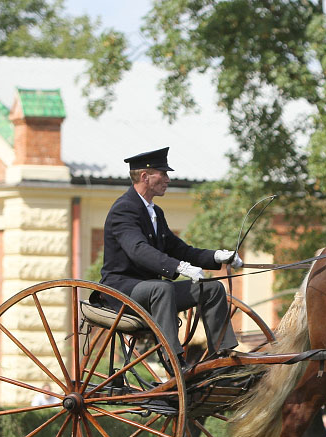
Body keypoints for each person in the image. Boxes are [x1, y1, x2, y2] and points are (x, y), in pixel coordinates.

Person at [99, 147, 243, 368]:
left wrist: (217, 256)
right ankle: (173, 360)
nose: (168, 179)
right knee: (161, 288)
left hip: (151, 291)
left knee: (212, 289)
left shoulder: (156, 212)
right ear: (145, 177)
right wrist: (179, 268)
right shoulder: (124, 209)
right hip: (122, 291)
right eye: (163, 173)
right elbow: (138, 249)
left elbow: (181, 250)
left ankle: (220, 357)